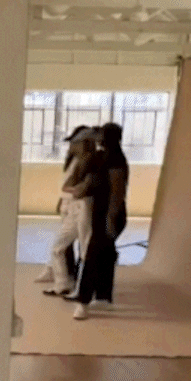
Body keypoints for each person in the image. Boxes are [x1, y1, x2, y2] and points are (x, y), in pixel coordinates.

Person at [65, 122, 130, 319]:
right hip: (100, 214)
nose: (98, 137)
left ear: (108, 137)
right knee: (106, 255)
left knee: (93, 255)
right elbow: (87, 182)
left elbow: (118, 193)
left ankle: (83, 302)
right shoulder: (102, 157)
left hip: (110, 215)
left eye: (101, 134)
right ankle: (103, 297)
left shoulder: (116, 159)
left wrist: (110, 219)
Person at [43, 133, 98, 295]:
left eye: (75, 143)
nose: (71, 147)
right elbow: (68, 187)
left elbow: (80, 190)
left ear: (84, 144)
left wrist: (75, 190)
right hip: (74, 208)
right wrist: (73, 191)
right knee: (58, 248)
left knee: (85, 251)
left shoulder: (91, 163)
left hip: (83, 209)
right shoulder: (78, 162)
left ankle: (84, 291)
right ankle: (62, 284)